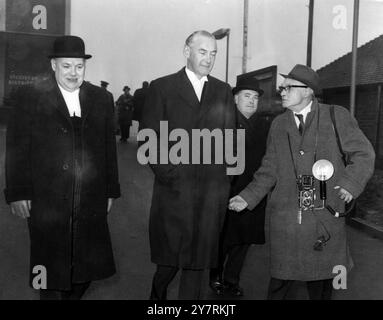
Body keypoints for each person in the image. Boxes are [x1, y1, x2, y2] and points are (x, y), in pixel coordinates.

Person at [229, 64, 375, 300]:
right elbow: (269, 169)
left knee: (320, 288)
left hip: (323, 221)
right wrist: (248, 196)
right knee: (279, 285)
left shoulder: (336, 116)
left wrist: (351, 183)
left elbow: (364, 153)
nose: (282, 92)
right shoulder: (278, 125)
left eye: (288, 87)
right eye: (281, 88)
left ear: (307, 91)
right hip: (287, 222)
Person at [4, 35, 120, 300]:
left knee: (85, 265)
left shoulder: (101, 98)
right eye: (66, 66)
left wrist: (110, 190)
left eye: (79, 66)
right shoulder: (29, 98)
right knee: (49, 266)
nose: (73, 72)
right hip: (46, 198)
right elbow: (16, 148)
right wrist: (18, 193)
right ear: (53, 65)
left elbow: (108, 149)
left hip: (88, 195)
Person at [141, 30, 236, 300]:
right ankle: (157, 299)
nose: (209, 59)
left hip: (210, 194)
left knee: (200, 260)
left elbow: (230, 139)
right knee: (169, 259)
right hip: (174, 190)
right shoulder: (162, 88)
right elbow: (150, 139)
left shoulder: (223, 90)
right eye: (203, 52)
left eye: (213, 53)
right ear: (187, 52)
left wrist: (224, 182)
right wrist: (169, 175)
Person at [209, 77, 271, 297]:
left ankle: (231, 280)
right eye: (246, 96)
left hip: (253, 193)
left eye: (255, 97)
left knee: (244, 241)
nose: (252, 101)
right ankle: (214, 276)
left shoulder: (263, 125)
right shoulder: (223, 123)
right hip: (229, 192)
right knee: (224, 239)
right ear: (235, 99)